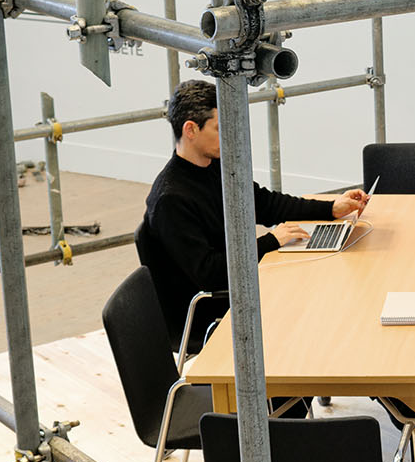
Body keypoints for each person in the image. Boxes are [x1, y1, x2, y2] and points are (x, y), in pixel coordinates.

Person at [135, 79, 368, 346]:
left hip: (236, 288)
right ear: (191, 129)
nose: (230, 136)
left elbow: (264, 204)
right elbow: (208, 274)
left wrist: (330, 208)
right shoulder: (171, 199)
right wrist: (271, 242)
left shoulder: (214, 165)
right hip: (209, 311)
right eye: (220, 128)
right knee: (313, 311)